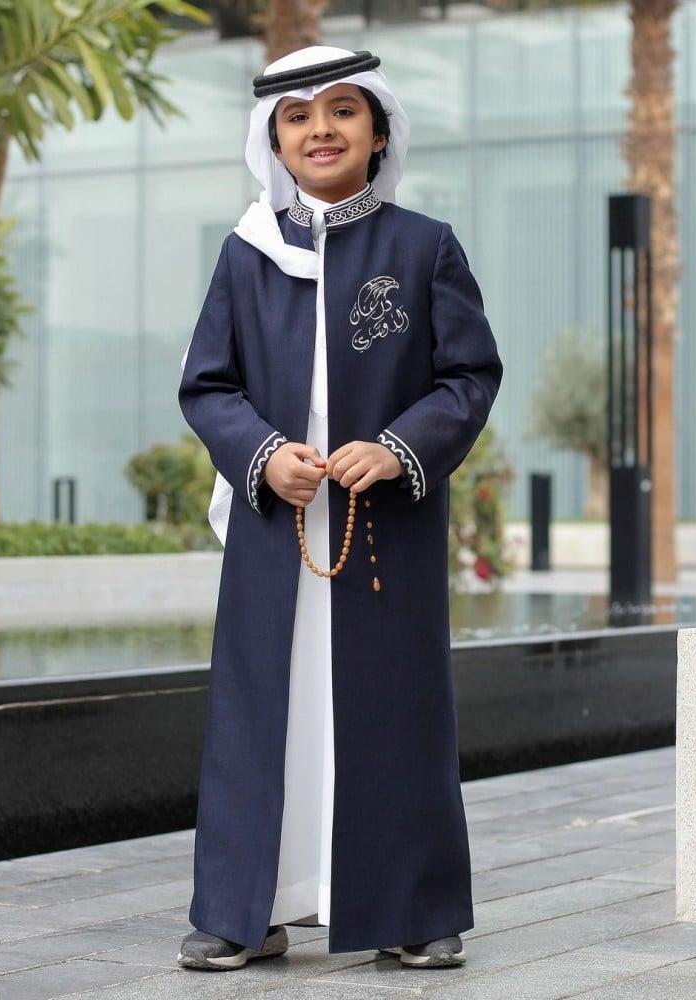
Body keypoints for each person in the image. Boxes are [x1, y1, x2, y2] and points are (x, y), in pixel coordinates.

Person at [176, 45, 503, 972]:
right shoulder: (245, 253)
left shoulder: (424, 246)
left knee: (396, 711)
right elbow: (208, 386)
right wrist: (263, 453)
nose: (320, 129)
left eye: (343, 110)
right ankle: (245, 911)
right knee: (260, 714)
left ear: (379, 130)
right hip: (275, 520)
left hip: (382, 526)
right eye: (298, 116)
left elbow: (468, 376)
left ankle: (413, 909)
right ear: (274, 141)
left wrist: (398, 446)